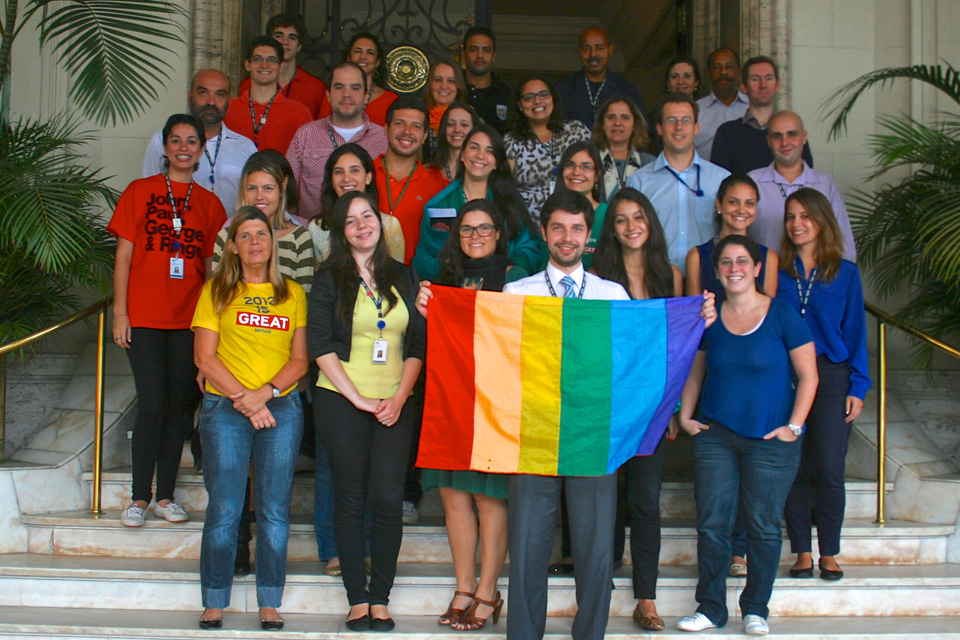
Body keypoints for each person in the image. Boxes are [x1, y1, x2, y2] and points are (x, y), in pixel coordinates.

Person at [503, 190, 717, 640]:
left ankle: (590, 635)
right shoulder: (514, 294)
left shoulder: (612, 294)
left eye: (576, 228)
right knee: (526, 548)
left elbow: (643, 356)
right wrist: (436, 312)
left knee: (596, 549)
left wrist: (694, 318)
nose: (567, 237)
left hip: (595, 438)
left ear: (589, 237)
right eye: (557, 227)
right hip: (535, 436)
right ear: (543, 233)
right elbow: (495, 359)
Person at [677, 234, 818, 636]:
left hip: (771, 440)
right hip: (716, 436)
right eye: (725, 262)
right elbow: (696, 370)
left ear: (757, 269)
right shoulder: (710, 317)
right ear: (717, 271)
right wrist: (686, 416)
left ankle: (756, 608)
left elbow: (809, 375)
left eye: (742, 261)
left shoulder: (782, 314)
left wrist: (794, 426)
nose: (733, 268)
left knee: (763, 526)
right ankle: (710, 608)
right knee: (712, 524)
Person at [307, 190, 425, 632]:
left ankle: (381, 599)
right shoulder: (329, 277)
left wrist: (398, 398)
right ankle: (357, 598)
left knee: (389, 499)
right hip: (342, 400)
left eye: (368, 216)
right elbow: (319, 343)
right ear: (340, 231)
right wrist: (356, 398)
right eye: (351, 220)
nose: (362, 225)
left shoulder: (405, 275)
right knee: (351, 498)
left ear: (380, 222)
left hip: (395, 401)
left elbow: (417, 343)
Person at [413, 200, 528, 631]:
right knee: (452, 495)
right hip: (447, 395)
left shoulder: (515, 278)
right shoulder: (441, 280)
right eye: (466, 229)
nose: (475, 236)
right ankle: (464, 587)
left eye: (484, 229)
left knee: (487, 496)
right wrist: (425, 308)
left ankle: (488, 591)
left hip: (495, 402)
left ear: (499, 233)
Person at [108, 114, 226, 528]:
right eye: (175, 140)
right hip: (142, 316)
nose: (183, 147)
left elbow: (211, 271)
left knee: (179, 407)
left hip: (189, 321)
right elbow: (123, 256)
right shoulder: (140, 192)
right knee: (153, 403)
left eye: (191, 141)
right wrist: (120, 313)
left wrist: (215, 327)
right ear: (165, 146)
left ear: (201, 148)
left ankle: (166, 496)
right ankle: (139, 497)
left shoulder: (211, 205)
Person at [192, 206, 308, 631]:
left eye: (262, 233)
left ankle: (269, 601)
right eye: (246, 235)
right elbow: (203, 356)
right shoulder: (218, 290)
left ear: (272, 242)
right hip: (227, 409)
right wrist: (246, 399)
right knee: (225, 507)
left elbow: (300, 360)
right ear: (234, 246)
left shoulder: (292, 293)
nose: (255, 241)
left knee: (275, 509)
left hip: (279, 407)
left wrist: (266, 395)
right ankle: (215, 598)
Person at [592, 187, 682, 632]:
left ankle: (646, 598)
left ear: (651, 223)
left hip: (654, 406)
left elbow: (681, 349)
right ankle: (600, 585)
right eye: (622, 219)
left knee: (645, 502)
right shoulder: (598, 277)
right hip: (609, 405)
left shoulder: (672, 275)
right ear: (612, 229)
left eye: (638, 217)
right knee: (606, 498)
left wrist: (673, 406)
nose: (631, 226)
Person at [779, 188, 870, 582]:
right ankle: (801, 551)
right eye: (791, 216)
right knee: (793, 465)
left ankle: (829, 551)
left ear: (821, 221)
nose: (797, 224)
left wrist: (859, 386)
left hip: (832, 377)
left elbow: (855, 333)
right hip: (787, 377)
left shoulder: (844, 273)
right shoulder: (777, 271)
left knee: (830, 468)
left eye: (805, 216)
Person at [414, 123, 541, 281]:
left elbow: (528, 248)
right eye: (474, 147)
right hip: (454, 289)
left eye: (490, 151)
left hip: (503, 289)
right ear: (462, 155)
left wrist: (510, 272)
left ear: (497, 162)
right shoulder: (438, 206)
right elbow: (424, 259)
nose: (480, 155)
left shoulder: (511, 202)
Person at [628, 93, 730, 273]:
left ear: (696, 127)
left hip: (709, 278)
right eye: (671, 120)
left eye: (686, 120)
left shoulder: (721, 179)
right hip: (658, 280)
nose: (679, 127)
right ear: (659, 128)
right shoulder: (639, 182)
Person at [143, 69, 257, 216]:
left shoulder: (245, 147)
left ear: (229, 101)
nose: (211, 102)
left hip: (233, 234)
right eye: (203, 93)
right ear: (190, 96)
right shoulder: (162, 141)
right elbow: (148, 193)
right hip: (176, 233)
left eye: (219, 95)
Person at [748, 111, 856, 261]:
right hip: (763, 279)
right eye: (777, 136)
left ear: (804, 138)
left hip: (816, 280)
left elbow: (844, 242)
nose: (785, 143)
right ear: (769, 141)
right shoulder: (753, 182)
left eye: (791, 134)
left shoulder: (824, 183)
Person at [286, 61, 388, 220]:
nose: (347, 94)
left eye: (355, 88)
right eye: (339, 87)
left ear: (366, 96)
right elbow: (288, 193)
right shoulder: (305, 135)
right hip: (312, 236)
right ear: (328, 94)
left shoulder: (383, 139)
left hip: (366, 235)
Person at [213, 151, 314, 292]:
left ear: (282, 187)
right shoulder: (226, 236)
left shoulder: (300, 238)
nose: (259, 196)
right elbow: (217, 292)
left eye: (268, 188)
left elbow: (305, 296)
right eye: (252, 188)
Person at [505, 75, 592, 222]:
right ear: (520, 104)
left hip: (573, 223)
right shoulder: (512, 140)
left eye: (543, 94)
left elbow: (595, 173)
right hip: (528, 227)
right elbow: (504, 187)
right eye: (529, 97)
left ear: (553, 98)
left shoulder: (576, 131)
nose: (537, 101)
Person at [373, 96, 448, 264]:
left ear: (424, 136)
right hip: (363, 281)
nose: (407, 131)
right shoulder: (363, 175)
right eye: (400, 123)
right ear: (386, 129)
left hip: (414, 283)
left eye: (416, 126)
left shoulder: (439, 188)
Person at [711, 56, 813, 174]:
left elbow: (807, 176)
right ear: (743, 87)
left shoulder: (793, 131)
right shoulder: (727, 132)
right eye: (755, 79)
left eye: (769, 78)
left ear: (778, 85)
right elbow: (719, 181)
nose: (763, 85)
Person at [685, 173, 779, 300]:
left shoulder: (768, 257)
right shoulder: (697, 256)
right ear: (719, 204)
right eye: (733, 202)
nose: (741, 210)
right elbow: (694, 313)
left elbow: (769, 314)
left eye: (749, 203)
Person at [310, 143, 405, 263]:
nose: (346, 178)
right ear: (332, 181)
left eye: (354, 170)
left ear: (368, 177)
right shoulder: (317, 227)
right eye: (339, 172)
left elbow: (398, 275)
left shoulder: (390, 225)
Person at [224, 36, 312, 153]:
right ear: (247, 65)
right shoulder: (227, 108)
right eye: (257, 59)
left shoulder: (299, 113)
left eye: (271, 60)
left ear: (281, 66)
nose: (264, 65)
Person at [555, 27, 647, 130]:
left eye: (599, 48)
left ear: (610, 50)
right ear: (580, 51)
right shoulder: (564, 88)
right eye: (586, 49)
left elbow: (642, 131)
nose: (593, 54)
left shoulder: (627, 90)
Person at [238, 14, 328, 119]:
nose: (285, 42)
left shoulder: (316, 88)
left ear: (299, 46)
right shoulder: (248, 85)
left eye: (292, 37)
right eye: (279, 36)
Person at [319, 32, 399, 126]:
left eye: (370, 53)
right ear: (349, 58)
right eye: (357, 51)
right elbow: (322, 129)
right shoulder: (334, 94)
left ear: (377, 62)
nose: (363, 57)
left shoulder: (390, 99)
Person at [593, 95, 655, 202]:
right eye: (611, 117)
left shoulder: (650, 163)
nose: (617, 123)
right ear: (602, 124)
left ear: (635, 125)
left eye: (625, 117)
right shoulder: (590, 161)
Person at [556, 141, 606, 268]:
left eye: (586, 167)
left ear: (598, 175)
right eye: (570, 165)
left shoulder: (609, 214)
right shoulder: (553, 212)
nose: (576, 172)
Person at [694, 48, 748, 160]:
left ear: (740, 72)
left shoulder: (752, 107)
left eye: (729, 67)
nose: (723, 72)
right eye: (716, 67)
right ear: (709, 73)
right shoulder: (696, 111)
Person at [461, 26, 512, 135]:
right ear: (464, 54)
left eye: (486, 50)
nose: (480, 55)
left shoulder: (506, 95)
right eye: (474, 49)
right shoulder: (452, 89)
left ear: (494, 56)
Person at [422, 58, 468, 162]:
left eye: (451, 81)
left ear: (458, 86)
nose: (444, 86)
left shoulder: (471, 121)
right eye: (438, 80)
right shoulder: (420, 119)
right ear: (430, 84)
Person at [430, 100, 479, 183]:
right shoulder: (429, 171)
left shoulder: (483, 170)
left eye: (464, 125)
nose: (457, 130)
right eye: (450, 124)